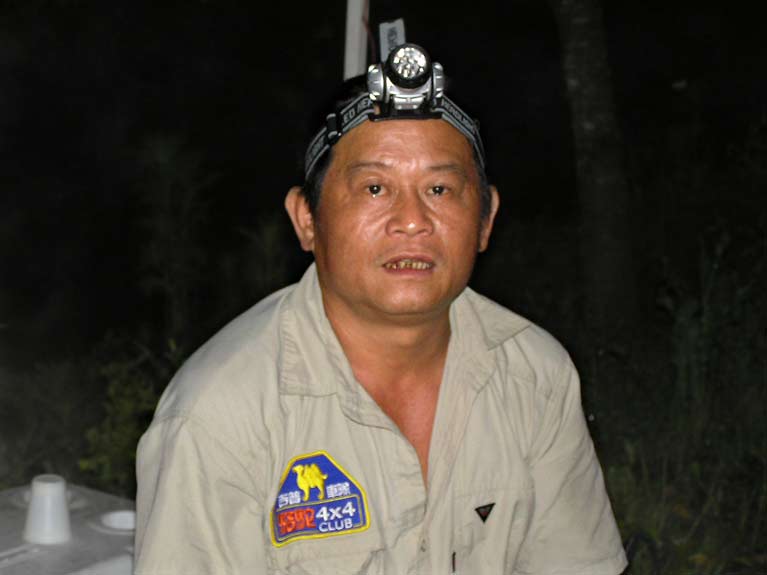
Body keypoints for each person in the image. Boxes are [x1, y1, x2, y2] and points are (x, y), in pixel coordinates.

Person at [133, 43, 628, 575]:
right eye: (374, 188)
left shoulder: (534, 377)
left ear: (486, 220)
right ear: (307, 220)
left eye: (440, 188)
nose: (412, 220)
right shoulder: (219, 415)